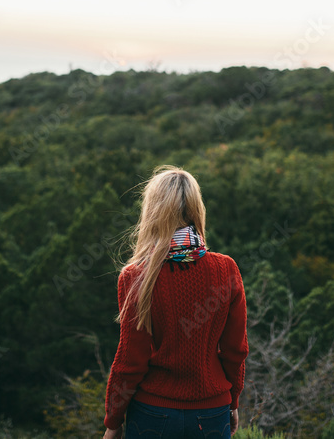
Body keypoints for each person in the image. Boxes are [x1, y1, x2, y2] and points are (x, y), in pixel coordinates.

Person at [102, 165, 248, 439]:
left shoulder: (135, 276)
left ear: (151, 212)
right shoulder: (226, 269)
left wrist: (113, 421)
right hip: (213, 412)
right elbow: (235, 350)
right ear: (197, 209)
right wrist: (233, 402)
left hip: (152, 415)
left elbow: (130, 361)